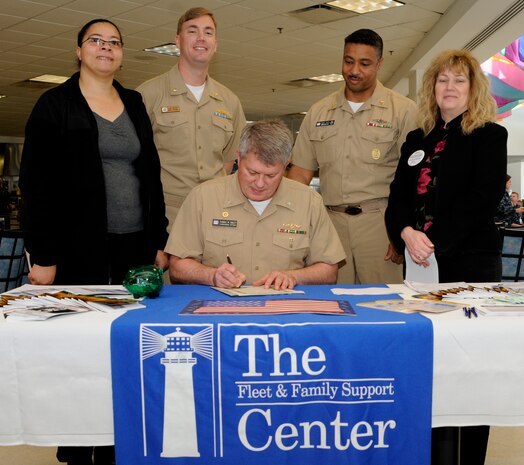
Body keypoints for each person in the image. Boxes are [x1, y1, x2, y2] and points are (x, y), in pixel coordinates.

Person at [19, 19, 169, 465]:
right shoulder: (54, 105)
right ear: (79, 50)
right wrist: (44, 257)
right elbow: (36, 187)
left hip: (133, 250)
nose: (106, 48)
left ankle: (118, 442)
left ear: (122, 52)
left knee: (125, 348)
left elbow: (152, 177)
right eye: (96, 41)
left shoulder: (135, 102)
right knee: (80, 354)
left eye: (115, 42)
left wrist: (158, 240)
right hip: (75, 252)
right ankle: (80, 447)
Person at [384, 49, 508, 465]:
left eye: (459, 80)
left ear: (473, 89)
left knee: (472, 367)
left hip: (470, 266)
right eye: (442, 80)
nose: (449, 87)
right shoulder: (416, 140)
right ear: (431, 88)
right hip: (419, 266)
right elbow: (397, 199)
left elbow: (482, 200)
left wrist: (430, 239)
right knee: (429, 362)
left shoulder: (490, 135)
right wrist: (405, 234)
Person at [288, 28, 417, 285]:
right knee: (335, 305)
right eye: (348, 61)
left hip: (380, 225)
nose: (354, 70)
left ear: (380, 64)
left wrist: (401, 230)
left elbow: (413, 179)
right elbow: (299, 175)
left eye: (365, 63)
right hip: (330, 225)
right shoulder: (319, 111)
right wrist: (291, 226)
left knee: (383, 306)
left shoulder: (403, 110)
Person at [166, 120, 346, 289]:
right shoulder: (203, 197)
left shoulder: (308, 201)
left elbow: (329, 270)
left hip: (283, 309)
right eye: (252, 172)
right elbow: (177, 266)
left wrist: (294, 277)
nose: (260, 183)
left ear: (287, 164)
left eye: (270, 175)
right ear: (238, 157)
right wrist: (212, 276)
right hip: (219, 307)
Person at [137, 6, 246, 230]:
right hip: (164, 214)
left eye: (208, 32)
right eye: (192, 31)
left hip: (215, 212)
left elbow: (228, 161)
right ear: (177, 40)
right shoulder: (148, 95)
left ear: (215, 44)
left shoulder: (230, 102)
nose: (201, 38)